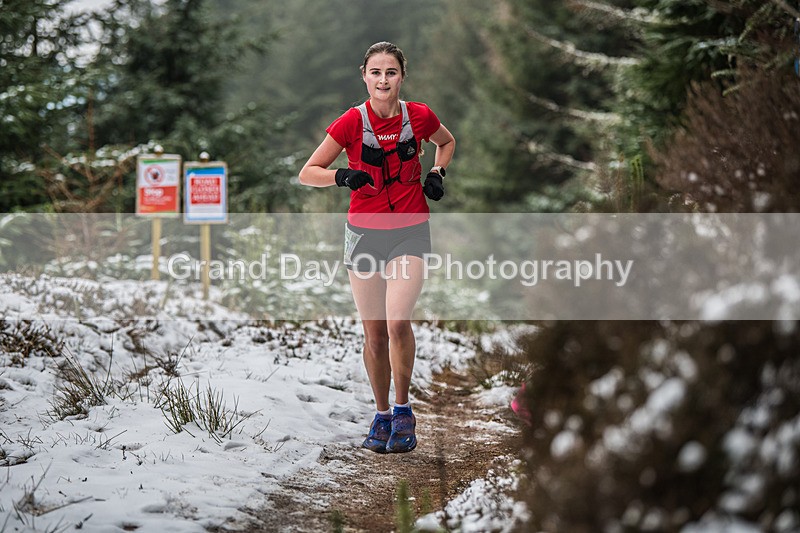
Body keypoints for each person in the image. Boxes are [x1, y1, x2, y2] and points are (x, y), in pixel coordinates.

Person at [299, 41, 455, 453]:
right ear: (364, 76)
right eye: (375, 72)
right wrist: (342, 177)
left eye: (391, 72)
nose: (383, 79)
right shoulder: (351, 122)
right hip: (364, 233)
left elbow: (447, 141)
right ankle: (382, 414)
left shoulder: (418, 116)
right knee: (373, 335)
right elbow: (307, 172)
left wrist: (437, 171)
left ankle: (404, 411)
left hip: (410, 229)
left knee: (397, 322)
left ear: (402, 76)